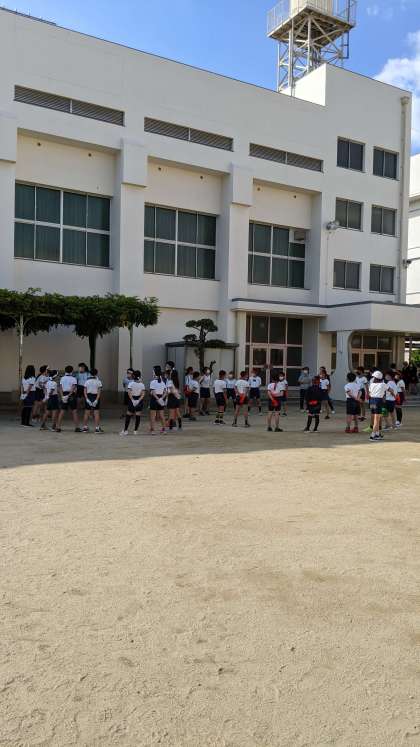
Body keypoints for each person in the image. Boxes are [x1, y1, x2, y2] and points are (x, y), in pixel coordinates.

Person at [120, 369, 145, 435]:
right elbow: (143, 394)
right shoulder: (142, 384)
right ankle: (135, 431)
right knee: (138, 415)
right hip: (139, 400)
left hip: (132, 399)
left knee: (128, 414)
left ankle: (125, 430)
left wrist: (133, 400)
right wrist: (138, 400)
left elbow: (129, 393)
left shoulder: (131, 383)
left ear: (133, 376)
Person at [56, 365, 80, 433]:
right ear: (72, 371)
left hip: (64, 394)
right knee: (74, 411)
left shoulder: (62, 378)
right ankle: (77, 427)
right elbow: (73, 388)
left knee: (62, 411)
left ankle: (58, 427)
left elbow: (60, 388)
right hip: (71, 395)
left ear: (65, 371)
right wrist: (68, 395)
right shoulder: (73, 379)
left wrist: (62, 396)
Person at [83, 369, 103, 433]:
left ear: (90, 374)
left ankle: (85, 427)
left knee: (86, 412)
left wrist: (87, 399)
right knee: (96, 413)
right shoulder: (98, 382)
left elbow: (85, 391)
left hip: (88, 396)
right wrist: (96, 400)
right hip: (95, 396)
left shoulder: (87, 381)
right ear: (96, 374)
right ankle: (97, 428)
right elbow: (99, 392)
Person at [368, 370, 386, 442]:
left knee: (375, 418)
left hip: (372, 400)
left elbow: (369, 393)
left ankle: (377, 434)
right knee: (377, 419)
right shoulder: (383, 384)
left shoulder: (371, 384)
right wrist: (394, 395)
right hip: (378, 401)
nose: (373, 378)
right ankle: (372, 436)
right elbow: (390, 390)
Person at [149, 366, 167, 434]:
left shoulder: (152, 382)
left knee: (153, 416)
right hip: (161, 398)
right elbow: (165, 392)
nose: (152, 372)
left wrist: (157, 399)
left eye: (153, 371)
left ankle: (152, 430)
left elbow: (153, 392)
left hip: (154, 399)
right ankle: (164, 429)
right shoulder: (162, 382)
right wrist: (161, 399)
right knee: (162, 415)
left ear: (155, 372)